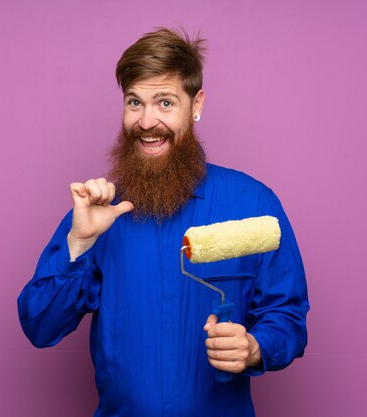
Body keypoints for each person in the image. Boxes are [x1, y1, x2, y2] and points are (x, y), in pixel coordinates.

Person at [17, 28, 309, 417]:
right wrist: (79, 242)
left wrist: (256, 348)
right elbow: (40, 325)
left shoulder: (253, 203)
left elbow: (287, 317)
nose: (147, 120)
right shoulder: (100, 214)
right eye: (134, 102)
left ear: (197, 104)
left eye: (165, 102)